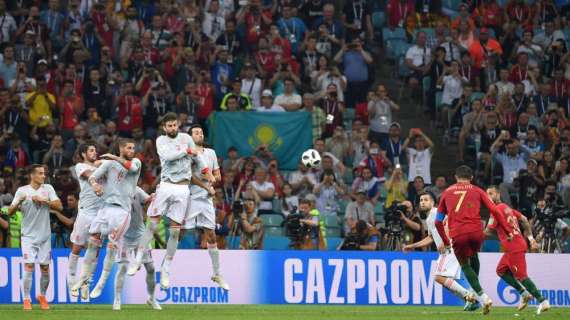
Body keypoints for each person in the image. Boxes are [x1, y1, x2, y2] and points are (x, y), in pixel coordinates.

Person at [128, 113, 213, 289]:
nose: (173, 128)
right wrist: (186, 151)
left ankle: (166, 268)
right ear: (164, 128)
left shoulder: (186, 138)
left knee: (175, 232)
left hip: (183, 190)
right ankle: (137, 259)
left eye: (175, 125)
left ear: (178, 124)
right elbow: (168, 157)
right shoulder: (161, 141)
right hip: (165, 186)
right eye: (169, 126)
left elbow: (198, 156)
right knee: (151, 225)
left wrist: (206, 169)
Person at [435, 165, 514, 315]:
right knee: (474, 255)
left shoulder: (446, 192)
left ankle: (483, 297)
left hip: (458, 234)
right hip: (476, 232)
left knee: (465, 264)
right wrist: (507, 230)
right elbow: (495, 210)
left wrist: (446, 241)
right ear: (471, 178)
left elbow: (438, 222)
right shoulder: (477, 190)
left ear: (455, 177)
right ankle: (472, 291)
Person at [71, 139, 142, 302]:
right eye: (129, 148)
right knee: (93, 242)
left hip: (122, 211)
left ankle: (101, 283)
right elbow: (92, 177)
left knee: (111, 247)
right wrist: (95, 184)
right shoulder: (109, 164)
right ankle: (83, 278)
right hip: (105, 209)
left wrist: (113, 158)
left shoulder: (136, 162)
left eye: (133, 148)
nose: (132, 150)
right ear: (121, 148)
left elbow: (132, 167)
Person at [403, 192, 476, 310]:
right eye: (421, 200)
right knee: (444, 281)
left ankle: (469, 296)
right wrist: (412, 245)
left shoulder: (436, 212)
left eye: (426, 200)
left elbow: (450, 225)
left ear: (432, 202)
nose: (423, 202)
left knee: (439, 277)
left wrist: (444, 241)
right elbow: (430, 238)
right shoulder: (429, 218)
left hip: (450, 247)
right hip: (447, 249)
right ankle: (469, 300)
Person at [485, 186, 550, 315]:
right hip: (514, 245)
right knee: (501, 270)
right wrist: (531, 239)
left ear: (498, 194)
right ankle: (524, 294)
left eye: (491, 193)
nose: (489, 197)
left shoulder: (496, 210)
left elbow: (488, 231)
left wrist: (471, 233)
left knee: (521, 276)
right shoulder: (507, 208)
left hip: (514, 246)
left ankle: (543, 301)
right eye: (487, 195)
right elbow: (524, 220)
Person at [7, 164, 62, 310]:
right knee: (29, 265)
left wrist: (45, 201)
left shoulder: (48, 189)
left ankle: (42, 296)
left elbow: (60, 206)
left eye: (44, 173)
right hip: (28, 237)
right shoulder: (22, 191)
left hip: (44, 236)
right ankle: (26, 299)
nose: (44, 176)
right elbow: (10, 212)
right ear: (32, 175)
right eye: (40, 173)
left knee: (45, 268)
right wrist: (19, 201)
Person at [182, 124, 229, 290]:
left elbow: (217, 174)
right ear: (190, 137)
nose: (199, 134)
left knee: (211, 235)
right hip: (191, 197)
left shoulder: (211, 153)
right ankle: (165, 264)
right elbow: (188, 177)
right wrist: (205, 184)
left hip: (207, 199)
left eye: (201, 132)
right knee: (179, 231)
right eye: (196, 132)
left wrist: (215, 178)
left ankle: (217, 273)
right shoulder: (187, 154)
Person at [110, 186, 161, 311]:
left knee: (151, 267)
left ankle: (151, 298)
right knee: (122, 268)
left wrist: (156, 195)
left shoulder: (136, 190)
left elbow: (148, 200)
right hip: (124, 237)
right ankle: (117, 300)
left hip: (140, 235)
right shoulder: (114, 192)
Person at [67, 142, 102, 300]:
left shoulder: (102, 167)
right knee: (77, 247)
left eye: (95, 150)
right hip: (85, 213)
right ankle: (72, 281)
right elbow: (89, 175)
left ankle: (86, 283)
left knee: (95, 251)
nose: (95, 152)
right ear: (83, 154)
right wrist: (95, 183)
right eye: (91, 150)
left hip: (100, 214)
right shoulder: (80, 166)